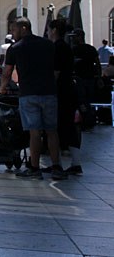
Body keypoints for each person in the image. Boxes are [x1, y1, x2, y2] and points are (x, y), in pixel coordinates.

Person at [0, 17, 66, 180]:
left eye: (14, 30)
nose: (12, 34)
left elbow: (7, 72)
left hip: (28, 94)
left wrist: (1, 89)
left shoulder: (15, 48)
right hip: (49, 92)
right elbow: (57, 71)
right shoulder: (48, 44)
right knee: (52, 131)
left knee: (34, 132)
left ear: (23, 28)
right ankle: (57, 167)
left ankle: (34, 168)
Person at [48, 19, 81, 175]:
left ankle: (65, 163)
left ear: (54, 30)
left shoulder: (57, 48)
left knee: (61, 127)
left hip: (61, 92)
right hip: (68, 90)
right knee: (67, 126)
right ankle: (71, 162)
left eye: (49, 29)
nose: (48, 32)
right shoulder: (65, 47)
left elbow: (55, 73)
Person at [72, 29, 101, 129]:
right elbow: (97, 64)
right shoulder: (91, 49)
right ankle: (89, 120)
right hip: (90, 78)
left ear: (79, 37)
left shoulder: (74, 50)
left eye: (74, 36)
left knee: (81, 101)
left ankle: (85, 120)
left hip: (80, 79)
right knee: (88, 101)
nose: (72, 39)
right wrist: (99, 77)